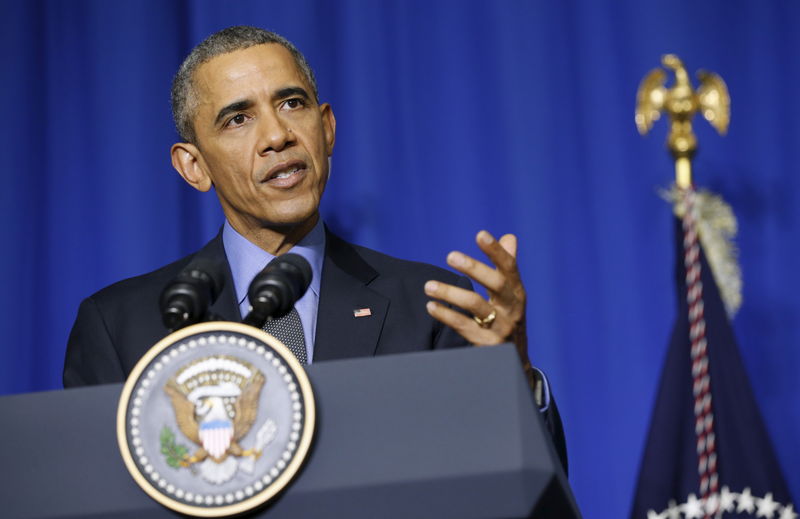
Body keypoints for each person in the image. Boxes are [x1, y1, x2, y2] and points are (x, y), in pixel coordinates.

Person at [62, 26, 566, 471]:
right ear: (194, 166)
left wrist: (515, 384)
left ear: (326, 129)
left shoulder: (433, 307)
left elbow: (510, 491)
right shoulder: (121, 327)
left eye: (291, 103)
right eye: (238, 119)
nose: (278, 136)